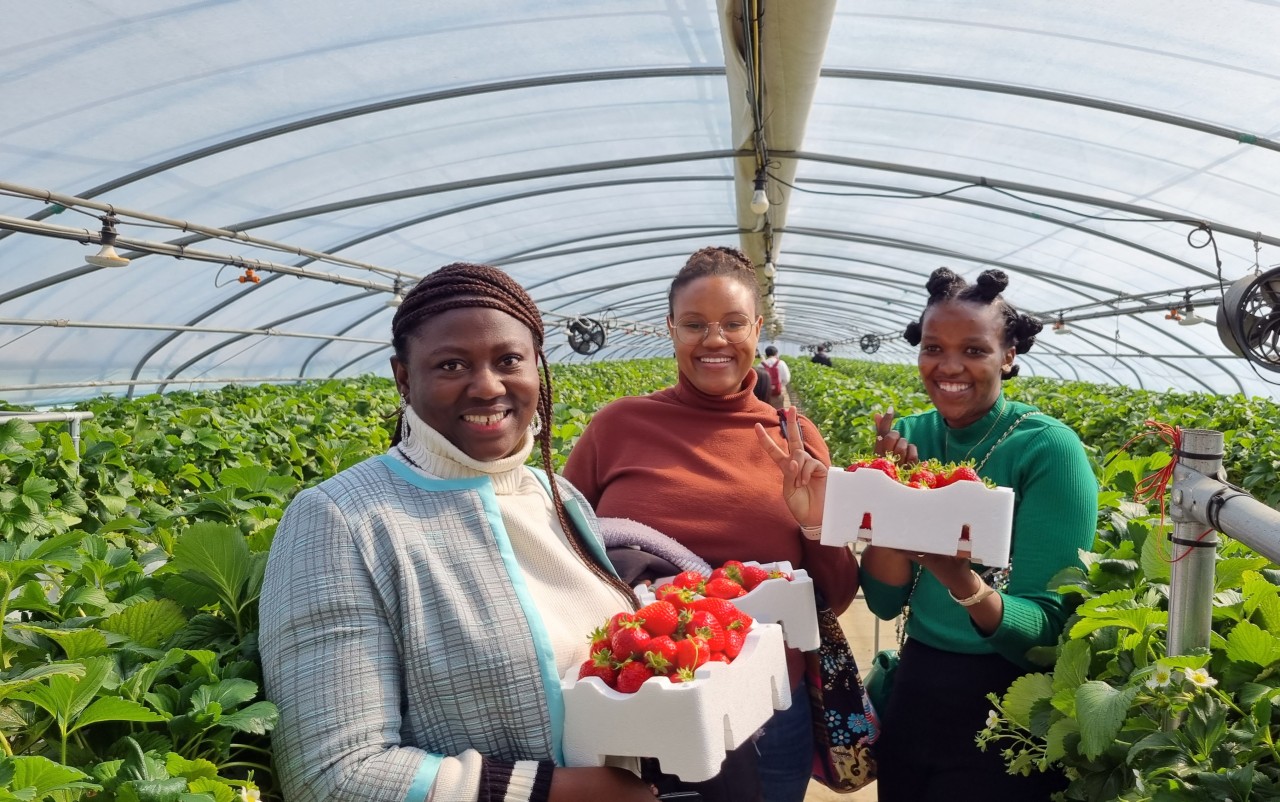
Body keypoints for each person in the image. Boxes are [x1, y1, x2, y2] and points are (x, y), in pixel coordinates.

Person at [259, 263, 657, 802]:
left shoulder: (557, 496)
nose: (488, 387)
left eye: (509, 360)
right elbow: (333, 776)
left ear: (537, 367)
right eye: (451, 365)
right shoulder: (341, 520)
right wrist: (557, 792)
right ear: (403, 377)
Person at [563, 245, 859, 802]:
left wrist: (818, 526)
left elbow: (835, 598)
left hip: (767, 708)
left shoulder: (793, 437)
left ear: (757, 328)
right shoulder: (618, 426)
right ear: (670, 329)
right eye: (695, 324)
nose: (715, 340)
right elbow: (563, 546)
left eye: (732, 323)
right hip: (637, 701)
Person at [858, 267, 1097, 801]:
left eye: (974, 350)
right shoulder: (910, 438)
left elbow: (1046, 630)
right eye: (933, 347)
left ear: (1008, 356)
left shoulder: (1049, 450)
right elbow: (880, 601)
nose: (949, 366)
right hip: (917, 688)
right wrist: (887, 507)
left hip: (1009, 704)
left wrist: (963, 582)